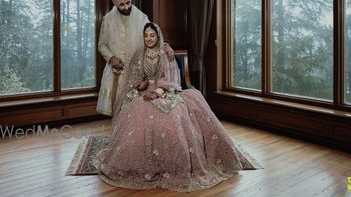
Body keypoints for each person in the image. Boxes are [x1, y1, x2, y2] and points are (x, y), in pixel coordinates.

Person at [98, 22, 245, 192]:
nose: (149, 39)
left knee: (173, 113)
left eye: (152, 35)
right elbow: (136, 78)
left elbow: (172, 79)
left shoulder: (164, 53)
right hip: (145, 92)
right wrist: (141, 85)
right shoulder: (140, 53)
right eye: (146, 35)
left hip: (165, 91)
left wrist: (158, 92)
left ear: (158, 35)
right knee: (134, 109)